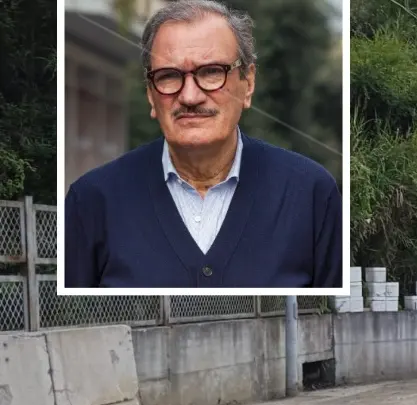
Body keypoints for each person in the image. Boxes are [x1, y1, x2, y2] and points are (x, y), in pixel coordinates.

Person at [63, 0, 341, 288]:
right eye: (169, 76)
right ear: (150, 95)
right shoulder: (92, 202)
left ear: (248, 83)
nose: (191, 96)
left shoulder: (310, 195)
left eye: (211, 72)